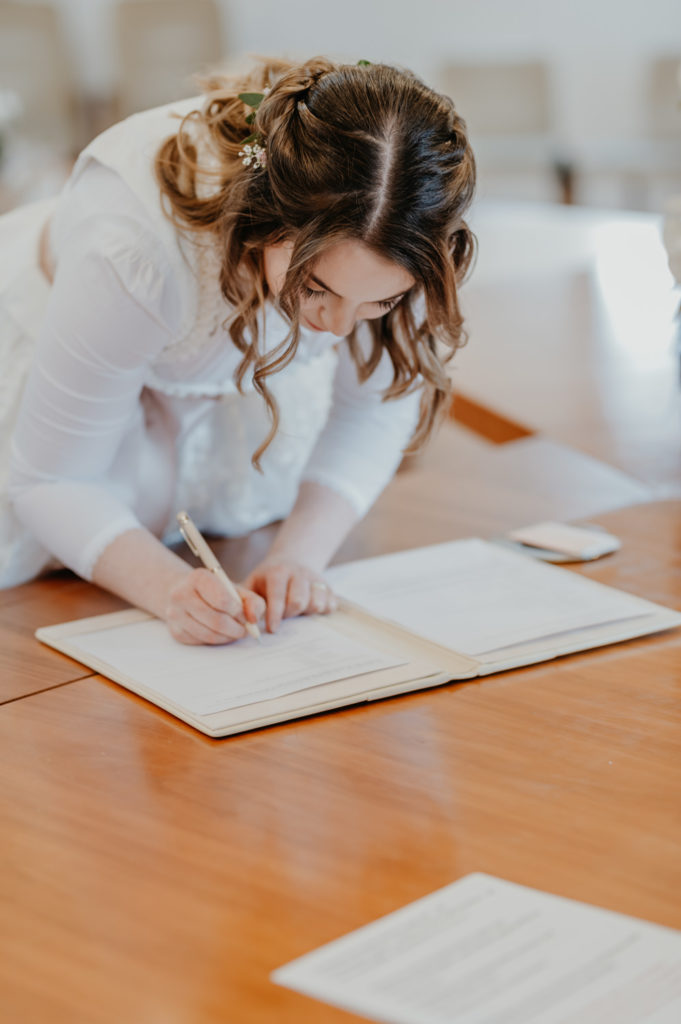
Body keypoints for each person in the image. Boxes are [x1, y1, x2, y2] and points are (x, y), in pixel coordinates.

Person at [0, 56, 476, 644]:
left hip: (214, 393)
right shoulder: (131, 248)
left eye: (377, 304)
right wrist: (170, 590)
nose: (335, 329)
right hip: (67, 373)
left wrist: (298, 559)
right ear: (263, 218)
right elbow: (52, 480)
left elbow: (372, 405)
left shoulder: (406, 221)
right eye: (316, 289)